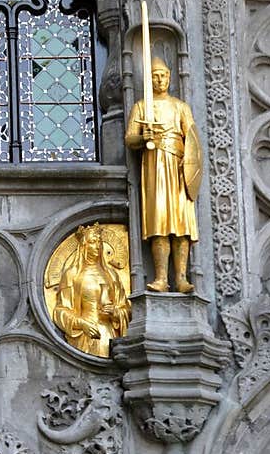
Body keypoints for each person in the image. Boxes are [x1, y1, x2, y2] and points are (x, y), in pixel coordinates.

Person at [125, 58, 202, 293]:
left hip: (177, 168)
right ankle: (161, 278)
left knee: (181, 224)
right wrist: (144, 137)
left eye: (163, 75)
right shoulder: (141, 106)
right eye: (155, 76)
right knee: (159, 222)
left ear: (169, 77)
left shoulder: (180, 106)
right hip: (154, 168)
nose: (160, 80)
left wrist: (187, 164)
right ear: (149, 80)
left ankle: (180, 277)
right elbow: (130, 138)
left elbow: (192, 139)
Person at [51, 223, 131, 357]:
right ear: (84, 245)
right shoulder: (72, 274)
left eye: (99, 242)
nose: (98, 246)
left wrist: (116, 312)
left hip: (109, 335)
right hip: (85, 336)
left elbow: (127, 309)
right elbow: (60, 311)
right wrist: (82, 324)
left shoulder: (111, 275)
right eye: (93, 242)